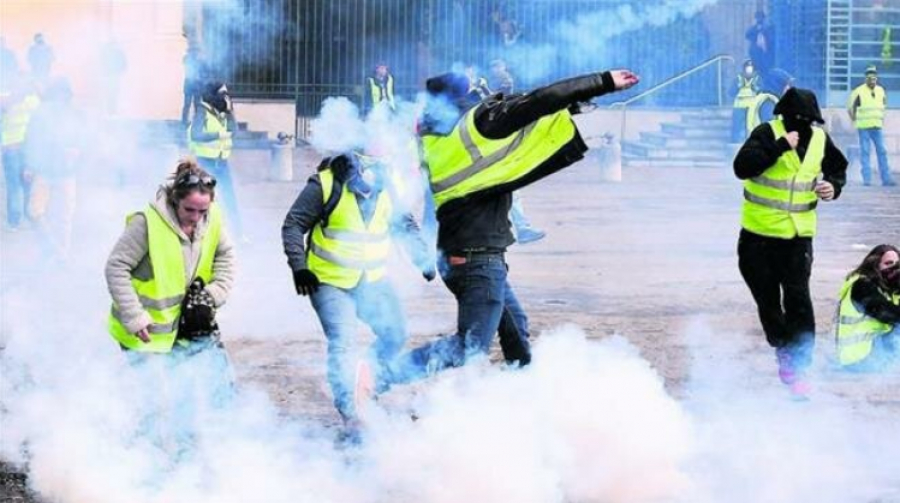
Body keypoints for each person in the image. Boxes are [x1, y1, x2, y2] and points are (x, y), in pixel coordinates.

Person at [384, 67, 639, 385]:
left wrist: (573, 104)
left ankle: (520, 400)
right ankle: (382, 377)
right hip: (476, 259)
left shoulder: (439, 137)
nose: (487, 95)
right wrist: (603, 82)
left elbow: (526, 120)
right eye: (478, 90)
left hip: (470, 255)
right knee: (469, 347)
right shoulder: (477, 126)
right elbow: (538, 101)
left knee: (516, 333)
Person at [281, 153, 433, 441]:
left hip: (372, 281)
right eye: (361, 191)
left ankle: (365, 382)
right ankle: (350, 412)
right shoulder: (324, 185)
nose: (367, 197)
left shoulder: (387, 185)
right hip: (328, 281)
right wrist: (299, 267)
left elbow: (405, 225)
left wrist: (422, 258)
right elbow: (293, 225)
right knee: (344, 341)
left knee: (395, 334)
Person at [105, 159, 236, 458]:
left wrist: (212, 296)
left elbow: (226, 258)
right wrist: (135, 316)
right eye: (189, 210)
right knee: (153, 399)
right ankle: (146, 462)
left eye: (202, 211)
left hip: (184, 327)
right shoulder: (146, 223)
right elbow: (116, 267)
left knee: (185, 395)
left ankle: (184, 461)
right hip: (143, 332)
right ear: (175, 199)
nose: (196, 218)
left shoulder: (211, 218)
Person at [733, 87, 848, 398]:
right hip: (757, 238)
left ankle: (799, 365)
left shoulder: (821, 140)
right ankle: (783, 348)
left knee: (799, 300)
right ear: (783, 116)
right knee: (768, 302)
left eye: (807, 122)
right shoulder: (767, 132)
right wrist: (780, 146)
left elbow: (838, 167)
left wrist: (833, 187)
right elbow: (742, 167)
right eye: (795, 121)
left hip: (798, 238)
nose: (801, 127)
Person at [24, 77, 83, 262]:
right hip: (43, 170)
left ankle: (60, 255)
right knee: (34, 212)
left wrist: (77, 151)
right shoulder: (40, 114)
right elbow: (31, 140)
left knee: (64, 217)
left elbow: (85, 139)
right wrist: (29, 165)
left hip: (66, 172)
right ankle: (53, 248)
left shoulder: (74, 114)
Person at [188, 80, 244, 241]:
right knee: (203, 200)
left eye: (227, 94)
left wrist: (231, 111)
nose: (226, 97)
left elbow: (234, 131)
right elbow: (196, 135)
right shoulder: (202, 111)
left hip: (221, 163)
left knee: (229, 199)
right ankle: (198, 235)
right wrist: (218, 135)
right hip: (206, 163)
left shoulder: (222, 113)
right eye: (222, 93)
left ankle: (238, 235)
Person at [835, 244, 900, 371]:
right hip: (859, 358)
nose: (894, 268)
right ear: (875, 265)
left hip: (873, 352)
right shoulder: (862, 286)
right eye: (888, 264)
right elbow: (889, 314)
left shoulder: (888, 288)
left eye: (897, 264)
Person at [1, 77, 40, 233]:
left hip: (11, 147)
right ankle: (28, 215)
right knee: (28, 182)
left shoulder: (6, 101)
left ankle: (14, 222)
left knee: (14, 185)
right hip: (30, 146)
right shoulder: (34, 101)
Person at [847, 65, 895, 187]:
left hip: (877, 126)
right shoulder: (858, 91)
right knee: (865, 152)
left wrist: (881, 119)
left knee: (882, 152)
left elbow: (883, 106)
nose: (872, 81)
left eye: (874, 79)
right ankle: (867, 179)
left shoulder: (881, 91)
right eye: (870, 79)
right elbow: (850, 108)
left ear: (876, 79)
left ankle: (886, 178)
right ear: (866, 79)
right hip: (864, 127)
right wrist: (855, 121)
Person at [745, 10, 775, 92]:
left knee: (766, 73)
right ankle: (755, 88)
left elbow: (771, 41)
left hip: (765, 56)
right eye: (757, 18)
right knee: (755, 73)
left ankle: (766, 88)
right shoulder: (754, 29)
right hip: (755, 56)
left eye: (760, 18)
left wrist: (764, 31)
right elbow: (747, 35)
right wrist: (757, 29)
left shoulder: (769, 28)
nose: (759, 20)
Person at [732, 59, 760, 143]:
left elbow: (761, 91)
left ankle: (752, 140)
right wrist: (737, 87)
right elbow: (731, 92)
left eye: (751, 69)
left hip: (752, 106)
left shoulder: (757, 79)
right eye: (747, 69)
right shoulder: (738, 79)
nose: (749, 71)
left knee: (752, 125)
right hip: (739, 106)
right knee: (737, 126)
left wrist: (755, 87)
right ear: (743, 69)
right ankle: (735, 141)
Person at [99, 37, 127, 115]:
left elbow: (123, 64)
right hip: (112, 76)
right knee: (112, 94)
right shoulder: (116, 52)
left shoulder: (104, 52)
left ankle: (109, 111)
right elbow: (124, 64)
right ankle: (111, 112)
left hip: (109, 76)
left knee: (109, 93)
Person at [181, 46, 204, 126]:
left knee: (197, 104)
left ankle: (196, 121)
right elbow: (185, 61)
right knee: (187, 104)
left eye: (196, 51)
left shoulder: (200, 61)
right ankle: (184, 122)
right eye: (193, 51)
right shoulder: (187, 59)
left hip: (197, 84)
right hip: (189, 83)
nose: (195, 53)